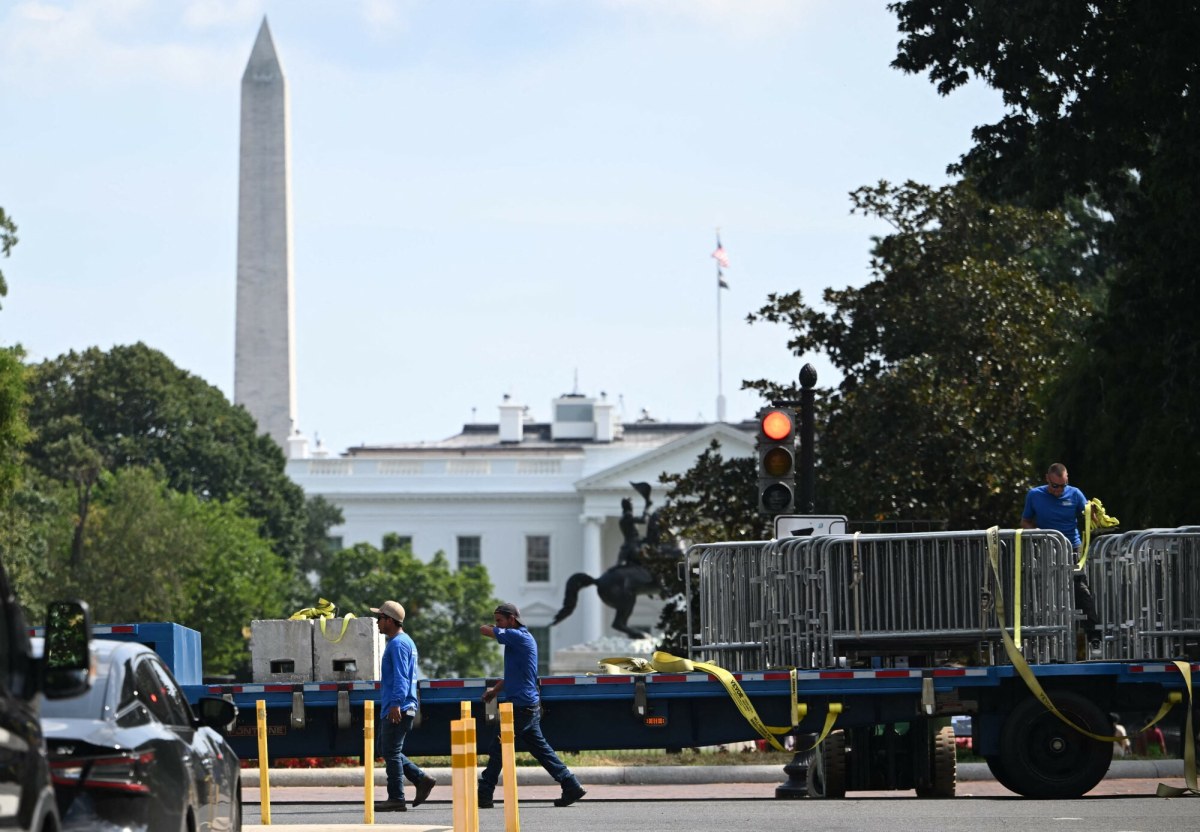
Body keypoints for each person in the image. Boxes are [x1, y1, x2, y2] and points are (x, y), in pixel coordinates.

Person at [477, 602, 586, 809]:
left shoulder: (518, 636)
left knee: (498, 748)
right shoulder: (518, 639)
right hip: (527, 704)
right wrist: (495, 690)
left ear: (512, 619)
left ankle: (484, 792)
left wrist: (491, 628)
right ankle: (570, 784)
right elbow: (514, 675)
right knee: (541, 750)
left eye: (500, 620)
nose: (497, 624)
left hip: (521, 707)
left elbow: (484, 630)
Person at [1020, 463, 1101, 642]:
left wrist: (1096, 514)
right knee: (1046, 590)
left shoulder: (1075, 494)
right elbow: (1025, 521)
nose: (1059, 490)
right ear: (1047, 479)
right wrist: (1039, 533)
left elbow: (1091, 517)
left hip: (1072, 547)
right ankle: (1046, 637)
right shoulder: (1034, 495)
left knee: (1080, 589)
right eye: (1055, 486)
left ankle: (1094, 634)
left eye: (1063, 486)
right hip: (1048, 547)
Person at [370, 600, 436, 812]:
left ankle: (397, 798)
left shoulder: (398, 644)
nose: (377, 622)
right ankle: (420, 779)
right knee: (385, 747)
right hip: (400, 703)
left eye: (380, 618)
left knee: (390, 751)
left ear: (390, 620)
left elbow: (401, 678)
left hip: (399, 705)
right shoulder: (405, 641)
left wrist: (396, 704)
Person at [616, 497, 649, 566]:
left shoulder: (623, 518)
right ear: (629, 506)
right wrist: (646, 508)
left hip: (627, 544)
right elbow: (643, 520)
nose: (632, 507)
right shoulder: (628, 516)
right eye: (631, 505)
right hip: (634, 544)